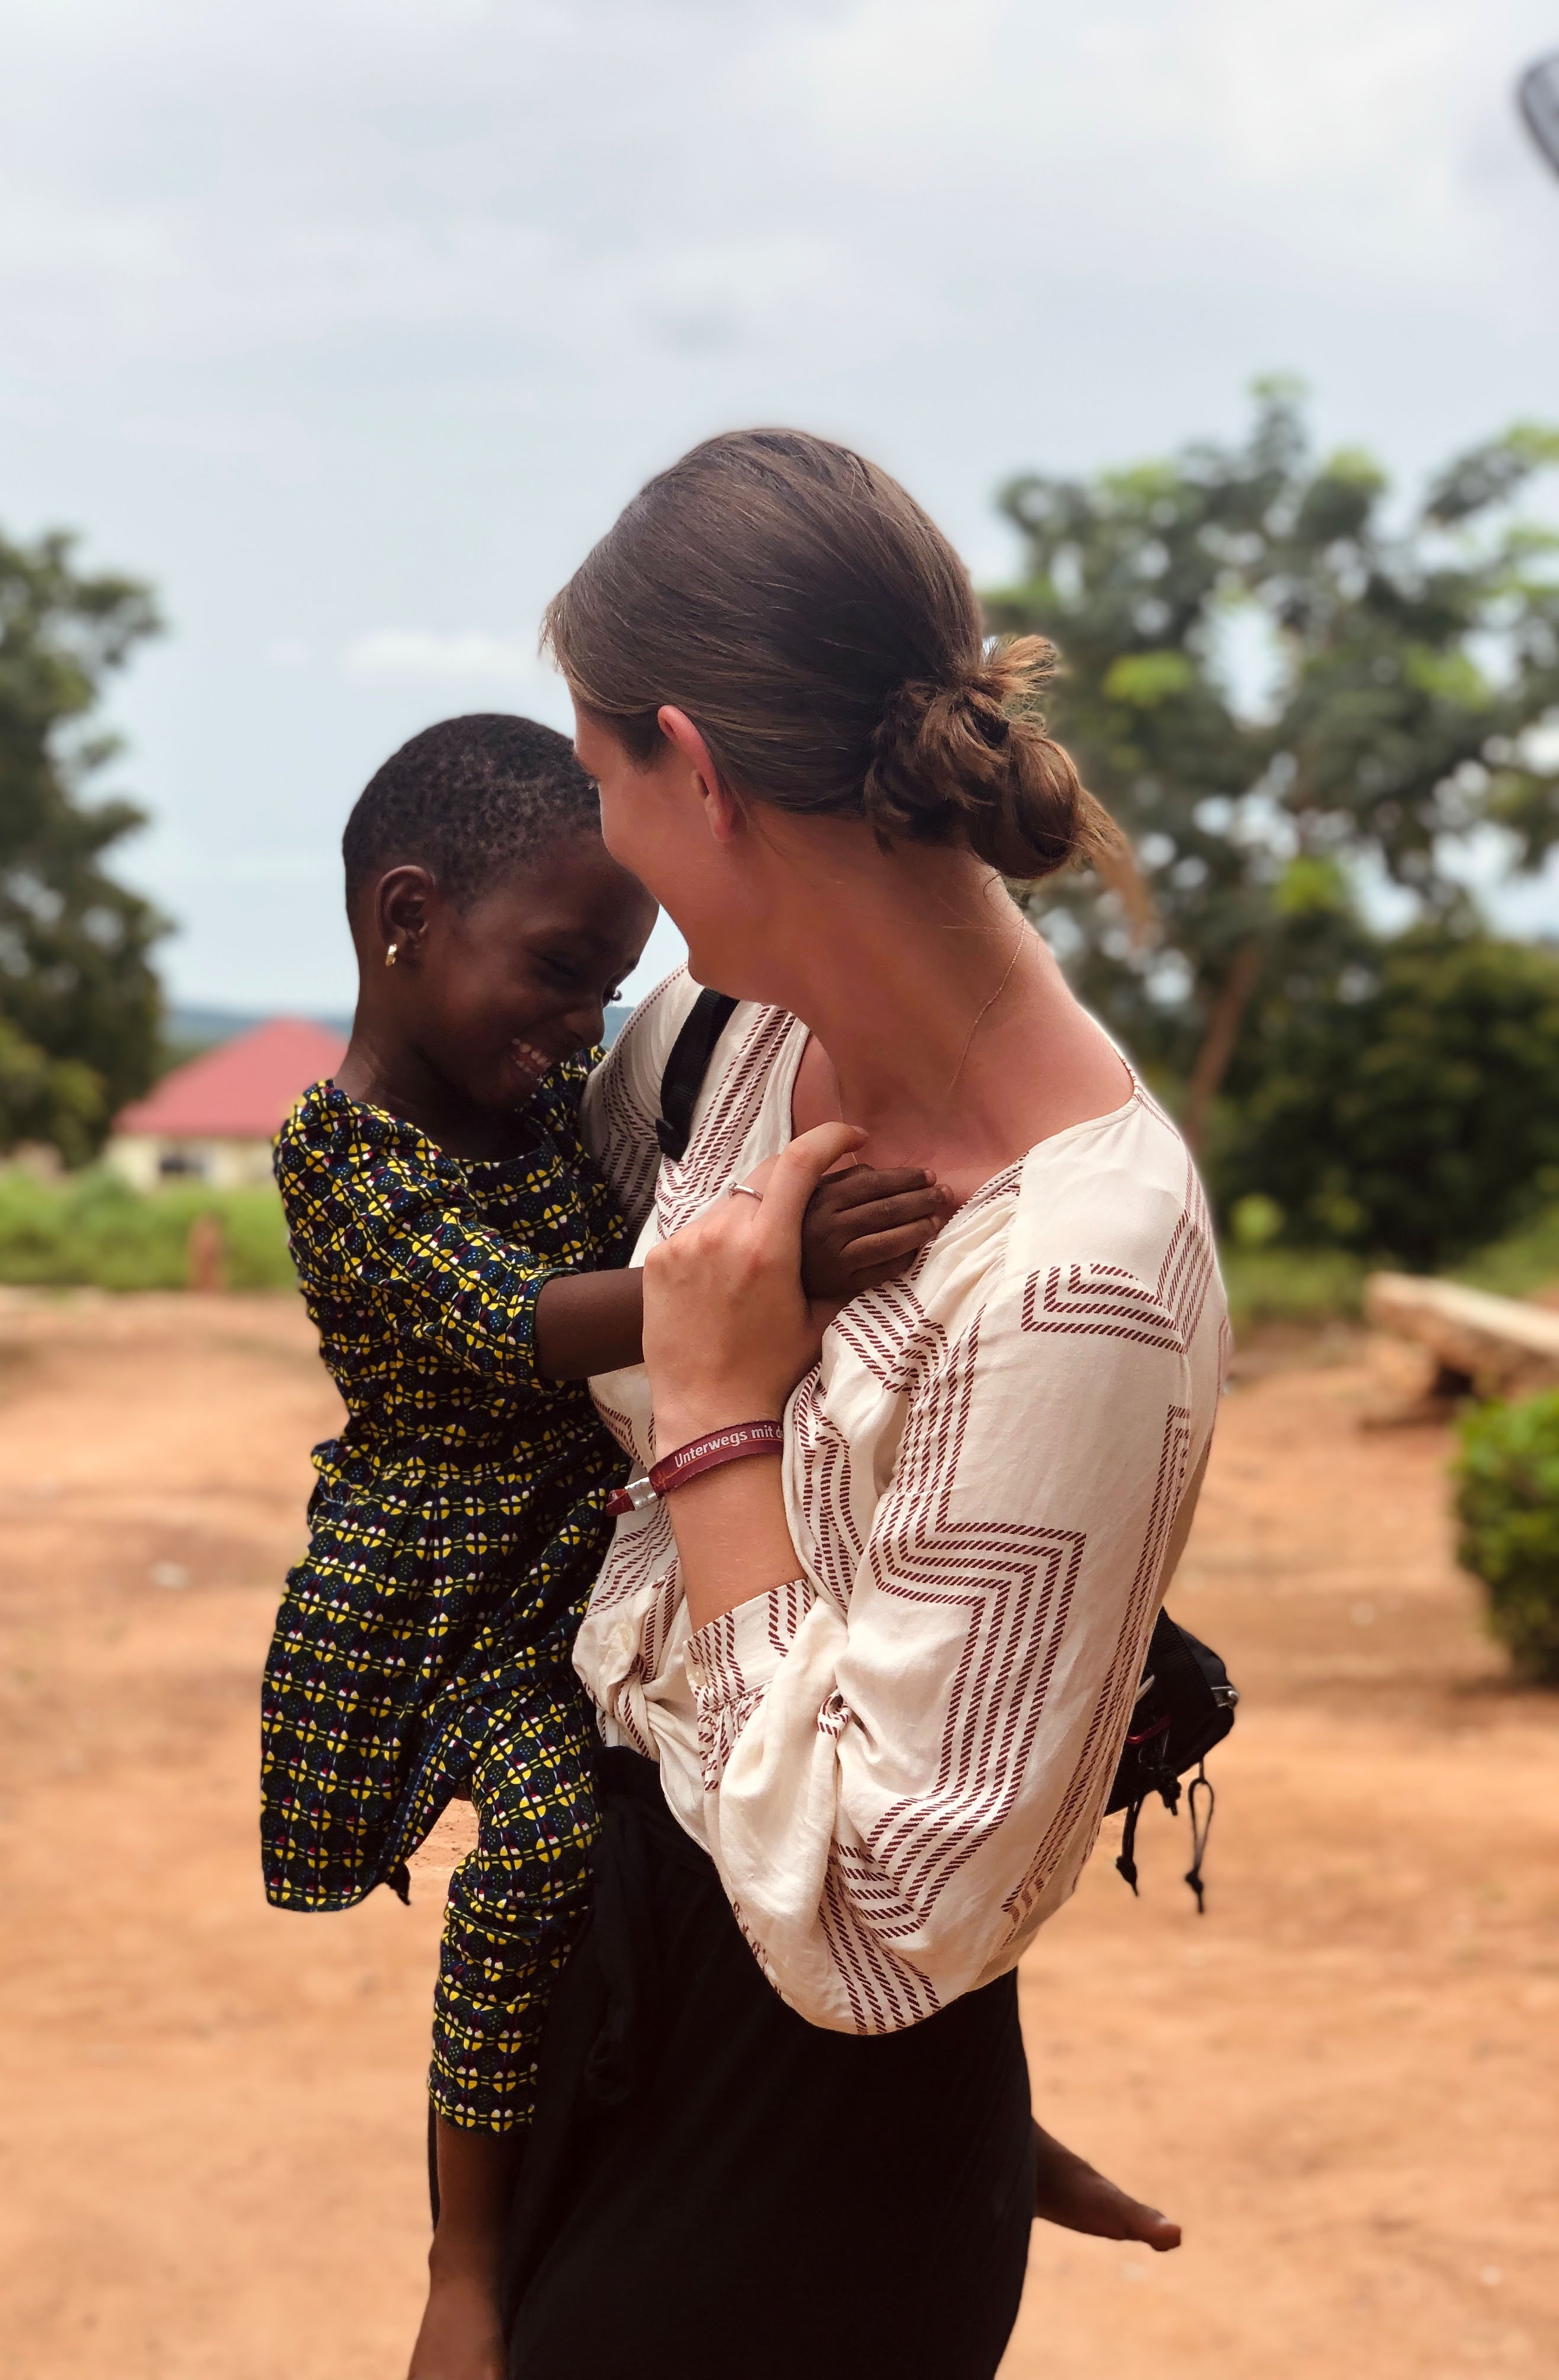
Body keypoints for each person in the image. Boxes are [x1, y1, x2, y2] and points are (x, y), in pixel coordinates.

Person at [259, 714, 1181, 2380]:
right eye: (557, 968)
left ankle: (962, 2099)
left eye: (598, 984)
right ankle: (464, 2260)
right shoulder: (349, 1156)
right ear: (404, 918)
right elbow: (520, 1320)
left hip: (626, 1627)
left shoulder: (570, 1093)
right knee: (537, 1849)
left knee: (1111, 1694)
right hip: (465, 1598)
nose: (582, 1018)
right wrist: (760, 1265)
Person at [497, 431, 1227, 2379]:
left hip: (809, 2149)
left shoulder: (1080, 1267)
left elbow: (877, 1934)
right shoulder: (717, 1045)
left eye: (601, 790)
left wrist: (728, 1416)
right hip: (621, 1979)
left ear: (698, 772)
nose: (612, 859)